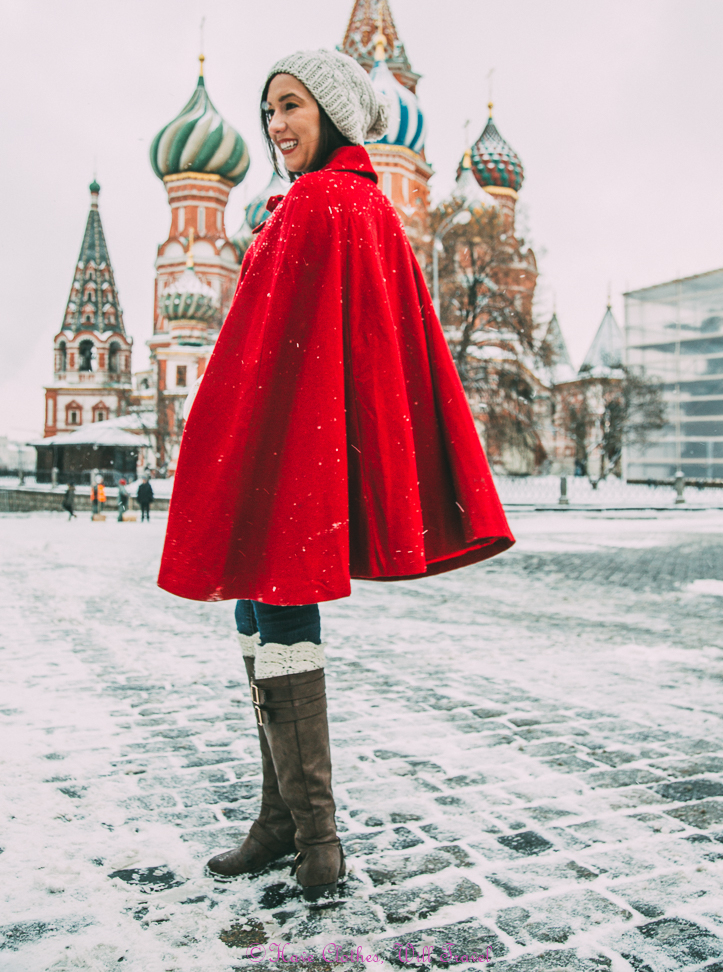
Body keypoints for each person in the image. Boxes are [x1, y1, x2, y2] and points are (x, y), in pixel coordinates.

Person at [158, 49, 515, 900]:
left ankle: (312, 833)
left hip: (289, 446)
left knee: (276, 614)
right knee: (262, 611)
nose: (276, 124)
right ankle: (281, 819)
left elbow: (284, 341)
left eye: (290, 106)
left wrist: (246, 433)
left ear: (331, 111)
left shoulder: (322, 200)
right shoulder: (351, 202)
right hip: (302, 442)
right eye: (268, 110)